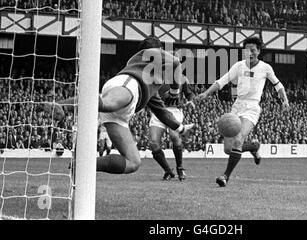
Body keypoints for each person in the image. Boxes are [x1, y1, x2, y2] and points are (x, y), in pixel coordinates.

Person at [41, 37, 194, 176]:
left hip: (122, 110)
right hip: (129, 84)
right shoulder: (148, 54)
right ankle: (63, 106)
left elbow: (163, 114)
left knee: (133, 162)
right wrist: (174, 91)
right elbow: (175, 62)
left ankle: (84, 165)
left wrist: (181, 128)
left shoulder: (152, 83)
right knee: (107, 103)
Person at [197, 36, 289, 187]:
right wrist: (206, 93)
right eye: (247, 50)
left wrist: (284, 100)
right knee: (228, 149)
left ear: (258, 51)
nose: (250, 53)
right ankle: (254, 147)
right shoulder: (239, 66)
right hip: (237, 106)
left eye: (253, 50)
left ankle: (225, 176)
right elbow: (222, 80)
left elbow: (278, 85)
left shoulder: (265, 68)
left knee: (238, 140)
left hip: (252, 108)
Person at [149, 69, 195, 181]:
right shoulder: (154, 78)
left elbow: (190, 93)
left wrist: (190, 100)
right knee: (153, 143)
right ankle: (168, 171)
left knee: (174, 136)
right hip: (158, 110)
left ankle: (180, 168)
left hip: (174, 111)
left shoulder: (182, 78)